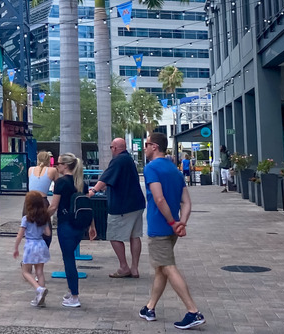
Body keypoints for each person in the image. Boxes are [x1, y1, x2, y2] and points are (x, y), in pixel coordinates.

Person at [139, 133, 205, 330]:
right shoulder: (175, 170)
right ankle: (150, 308)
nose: (144, 148)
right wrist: (180, 222)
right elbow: (186, 201)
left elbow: (159, 199)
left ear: (155, 146)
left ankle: (193, 311)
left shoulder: (151, 168)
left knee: (167, 266)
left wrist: (171, 221)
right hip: (173, 228)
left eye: (147, 144)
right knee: (161, 267)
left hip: (160, 226)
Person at [87, 138, 145, 279]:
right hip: (137, 203)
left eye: (111, 147)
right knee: (135, 236)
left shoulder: (118, 160)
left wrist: (93, 191)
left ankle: (124, 267)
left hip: (122, 205)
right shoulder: (129, 160)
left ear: (115, 148)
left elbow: (105, 178)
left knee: (113, 235)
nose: (111, 150)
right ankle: (135, 268)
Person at [48, 153, 96, 308]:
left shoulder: (60, 183)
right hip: (80, 225)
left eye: (58, 163)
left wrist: (39, 217)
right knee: (69, 258)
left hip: (66, 225)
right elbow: (87, 205)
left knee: (68, 260)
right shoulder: (81, 183)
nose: (57, 166)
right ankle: (71, 291)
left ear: (65, 166)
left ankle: (75, 296)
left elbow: (54, 206)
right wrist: (92, 226)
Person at [13, 191, 52, 307]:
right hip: (41, 244)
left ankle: (38, 289)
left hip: (30, 246)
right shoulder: (44, 217)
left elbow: (20, 235)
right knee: (39, 272)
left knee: (25, 272)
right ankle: (41, 299)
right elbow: (48, 233)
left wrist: (16, 248)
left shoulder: (26, 218)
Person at [28, 151, 58, 247]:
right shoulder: (52, 170)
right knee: (46, 232)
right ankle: (42, 255)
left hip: (29, 202)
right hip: (42, 201)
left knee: (30, 231)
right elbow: (58, 186)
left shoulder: (30, 169)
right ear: (48, 160)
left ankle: (30, 256)